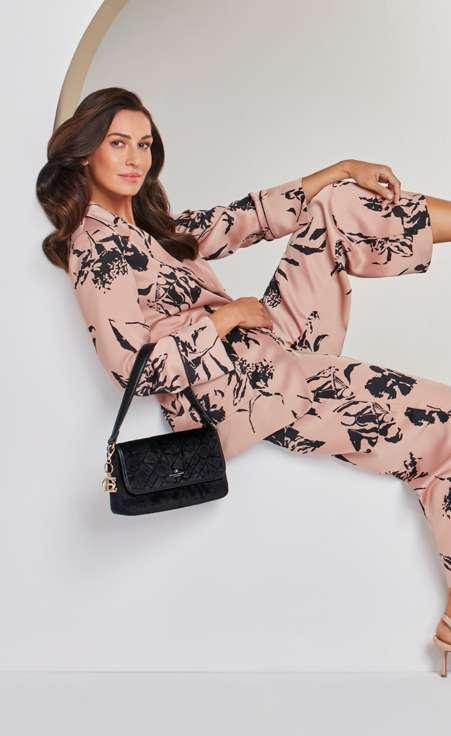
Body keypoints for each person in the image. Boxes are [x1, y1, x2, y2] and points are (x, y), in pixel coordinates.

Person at [36, 87, 451, 675]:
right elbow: (132, 368)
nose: (134, 158)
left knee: (334, 202)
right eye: (117, 143)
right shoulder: (94, 247)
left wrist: (340, 168)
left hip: (267, 354)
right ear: (85, 153)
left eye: (144, 145)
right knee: (445, 421)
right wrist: (224, 318)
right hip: (237, 393)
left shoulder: (151, 227)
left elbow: (244, 218)